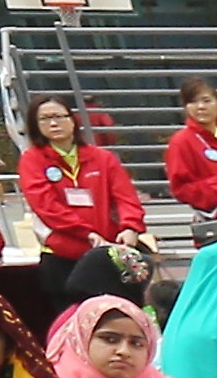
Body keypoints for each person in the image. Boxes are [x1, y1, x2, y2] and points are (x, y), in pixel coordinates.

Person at [13, 98, 139, 304]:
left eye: (59, 116)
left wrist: (130, 227)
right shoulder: (32, 160)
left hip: (105, 251)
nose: (54, 123)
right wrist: (86, 232)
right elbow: (46, 206)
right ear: (35, 125)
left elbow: (126, 197)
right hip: (62, 255)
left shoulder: (102, 158)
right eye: (44, 119)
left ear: (73, 120)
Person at [151, 82, 217, 252]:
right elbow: (182, 190)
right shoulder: (181, 142)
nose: (200, 107)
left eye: (206, 100)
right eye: (193, 102)